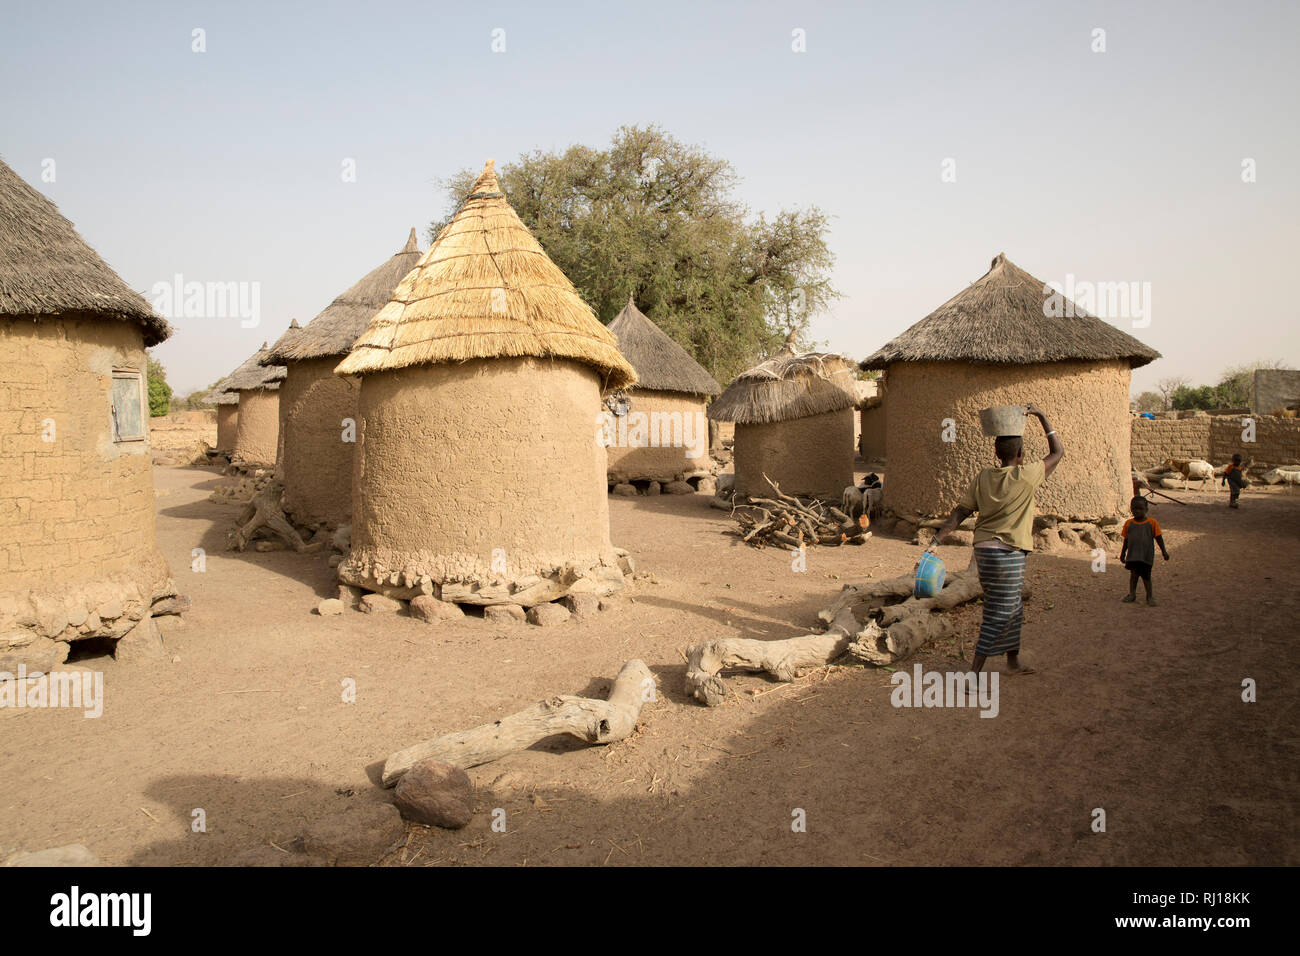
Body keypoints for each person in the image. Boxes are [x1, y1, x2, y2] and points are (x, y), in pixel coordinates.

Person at [927, 403, 1064, 679]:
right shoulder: (1027, 475)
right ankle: (974, 673)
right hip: (1008, 555)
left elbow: (961, 511)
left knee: (1013, 605)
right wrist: (1042, 415)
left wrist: (936, 539)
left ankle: (1012, 662)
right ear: (1022, 455)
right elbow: (1058, 452)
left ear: (995, 453)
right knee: (998, 612)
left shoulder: (984, 477)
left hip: (985, 553)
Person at [1119, 496, 1169, 604]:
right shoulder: (1129, 523)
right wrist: (1123, 553)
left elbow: (1159, 538)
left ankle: (1149, 596)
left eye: (1140, 508)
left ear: (1146, 509)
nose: (1137, 511)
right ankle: (1132, 594)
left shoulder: (1152, 523)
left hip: (1146, 555)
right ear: (1131, 509)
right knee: (1134, 575)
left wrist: (1164, 551)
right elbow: (1126, 540)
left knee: (1146, 576)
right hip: (1133, 555)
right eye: (1134, 508)